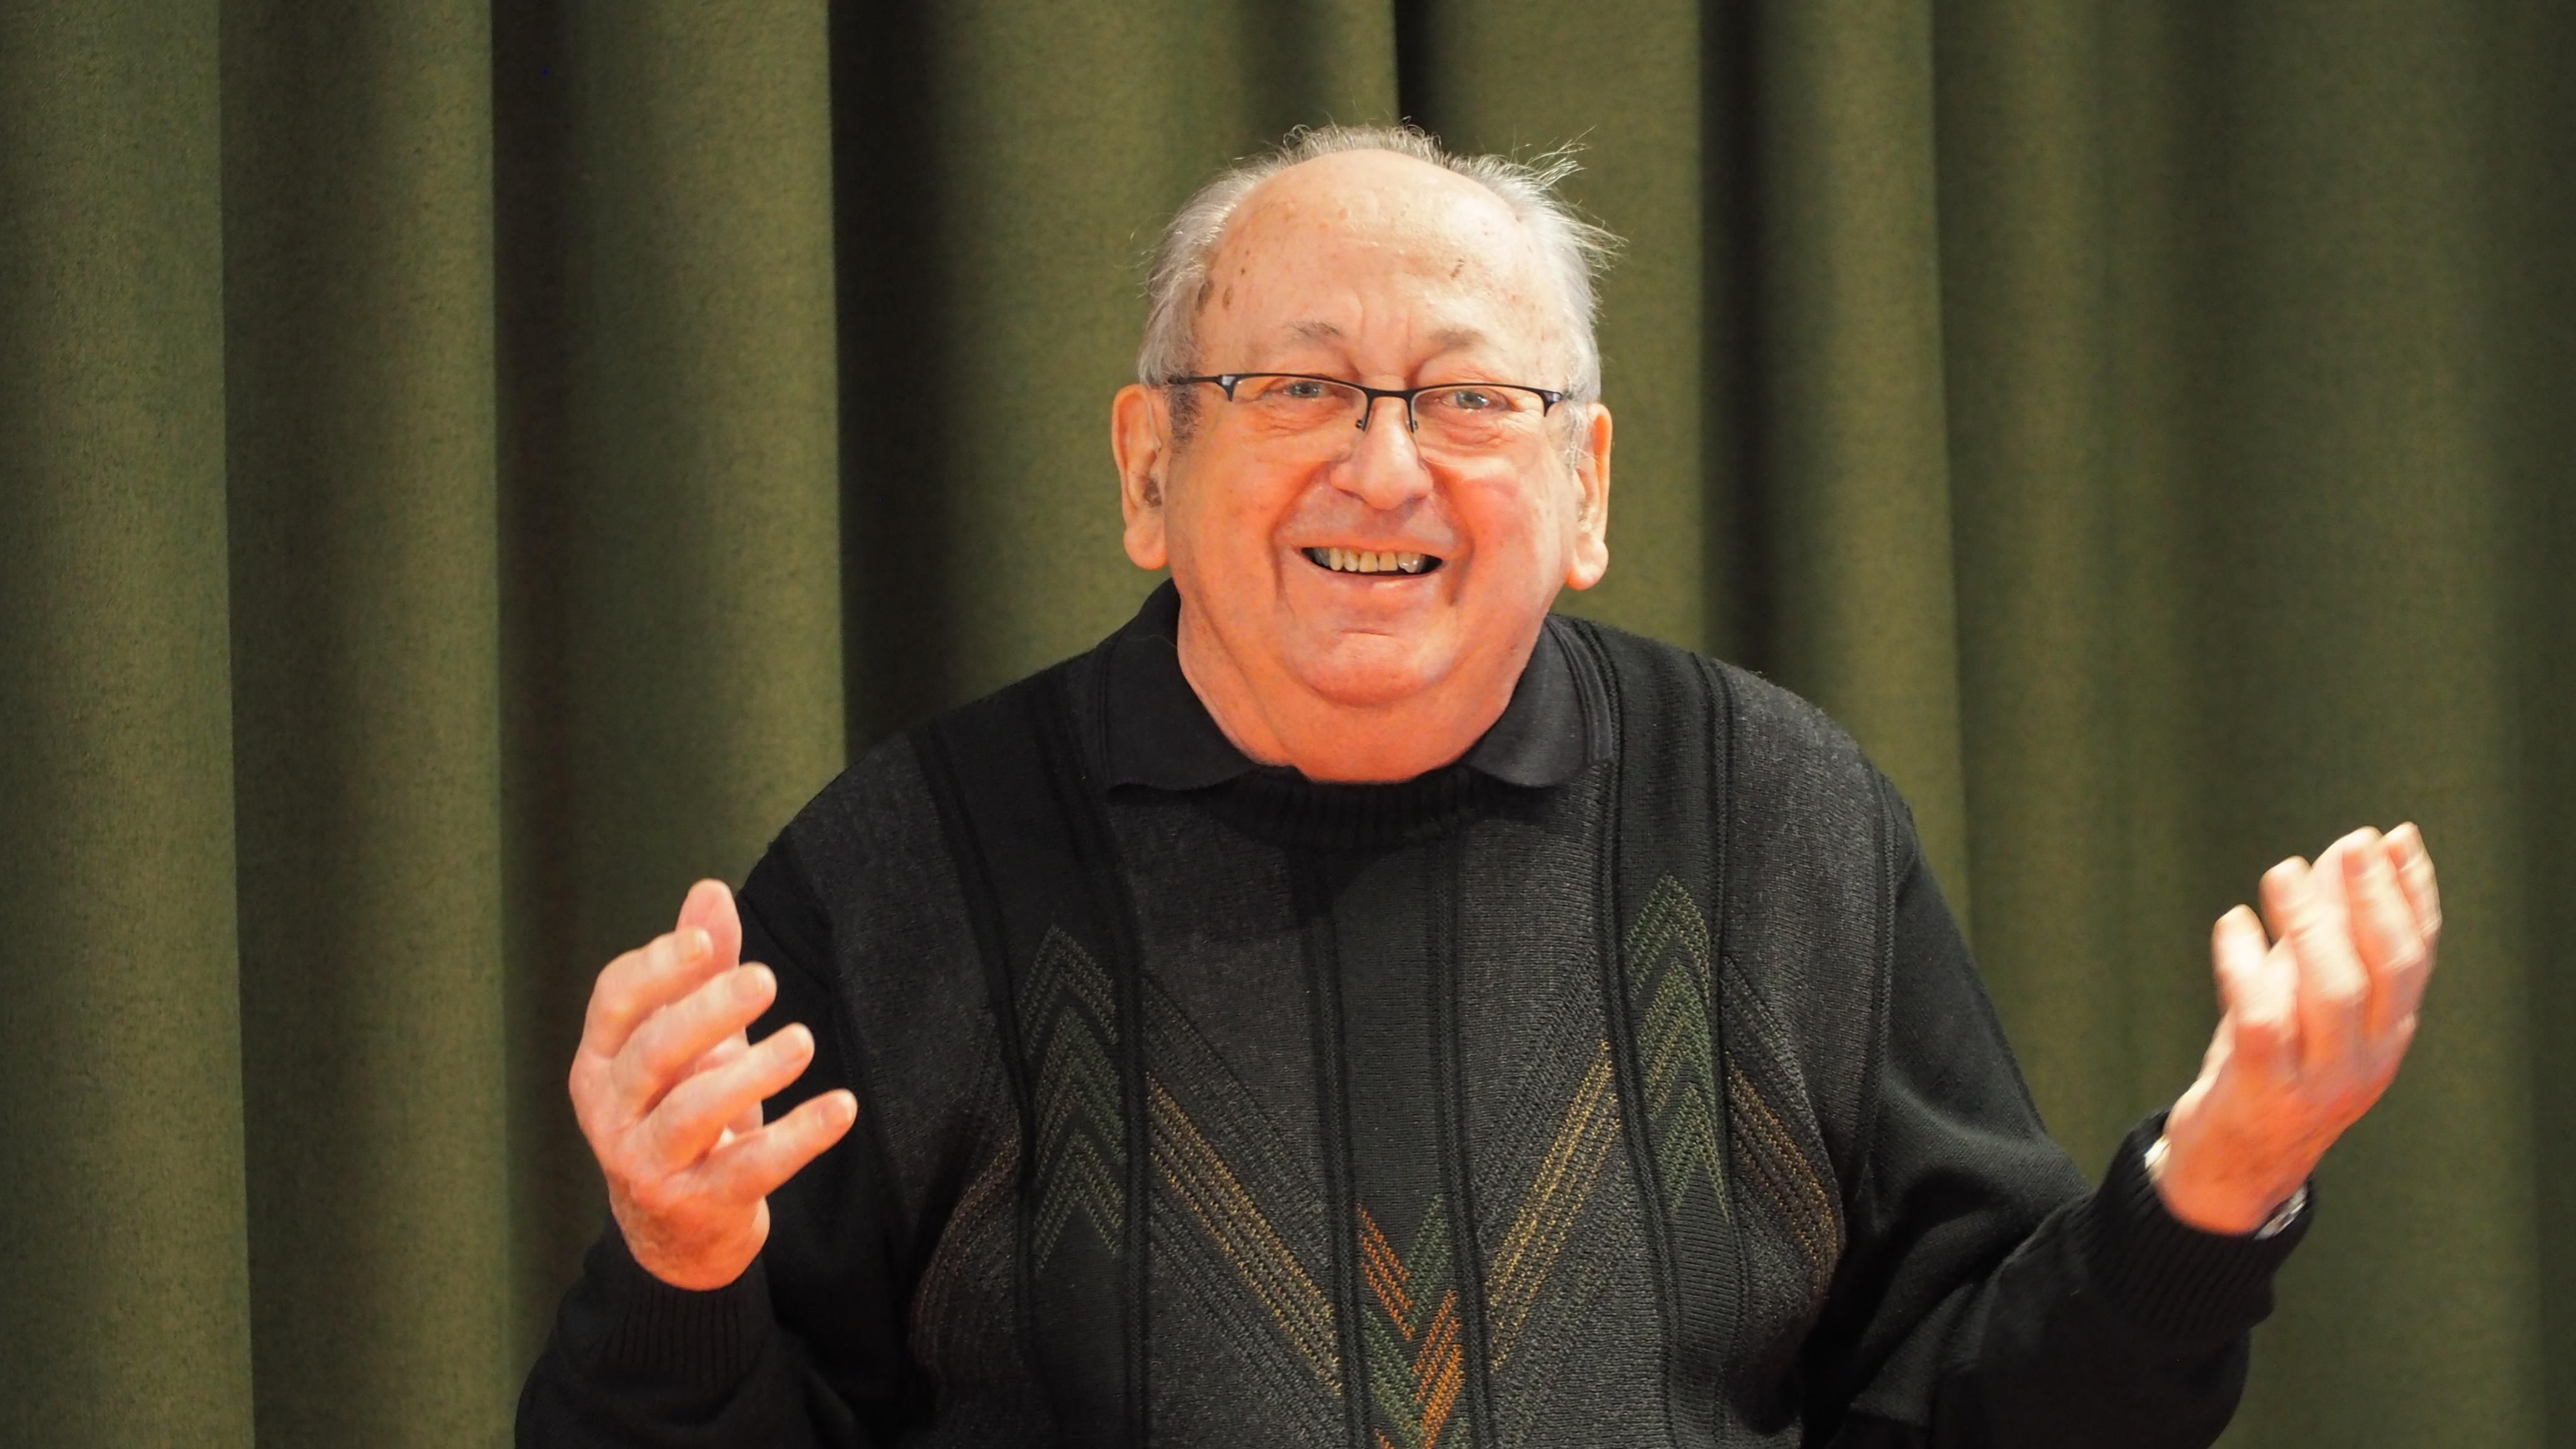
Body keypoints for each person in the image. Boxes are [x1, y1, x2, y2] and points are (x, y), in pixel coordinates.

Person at [518, 125, 2441, 1448]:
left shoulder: (1784, 828)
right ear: (1146, 471)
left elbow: (1976, 1417)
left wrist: (2216, 1187)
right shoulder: (900, 877)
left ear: (1585, 489)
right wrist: (678, 1276)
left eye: (1468, 398)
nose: (1385, 467)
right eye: (1298, 388)